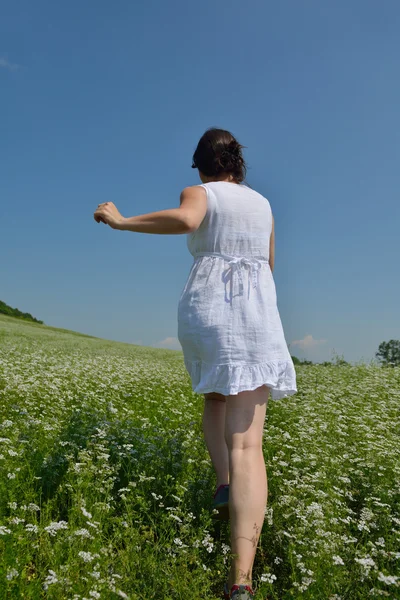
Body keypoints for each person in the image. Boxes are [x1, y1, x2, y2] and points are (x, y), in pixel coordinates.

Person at [94, 127, 297, 600]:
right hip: (257, 313)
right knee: (250, 444)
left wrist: (122, 220)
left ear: (203, 165)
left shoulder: (200, 191)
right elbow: (268, 263)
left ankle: (224, 483)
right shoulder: (264, 204)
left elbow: (187, 221)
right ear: (238, 165)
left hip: (210, 307)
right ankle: (241, 582)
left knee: (214, 396)